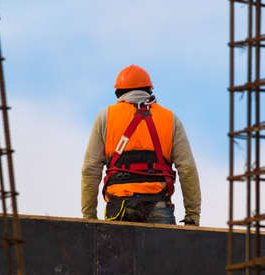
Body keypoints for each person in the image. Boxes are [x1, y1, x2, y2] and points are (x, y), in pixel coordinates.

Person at [81, 65, 201, 225]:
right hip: (158, 205)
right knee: (164, 250)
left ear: (119, 93)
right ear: (149, 91)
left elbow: (90, 169)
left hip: (119, 207)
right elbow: (187, 170)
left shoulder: (105, 117)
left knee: (117, 251)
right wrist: (192, 216)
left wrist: (89, 219)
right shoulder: (170, 120)